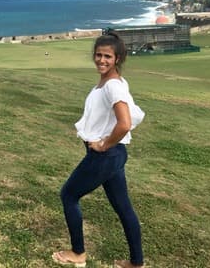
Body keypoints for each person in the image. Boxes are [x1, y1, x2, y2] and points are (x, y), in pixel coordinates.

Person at [53, 31, 145, 268]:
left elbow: (124, 123)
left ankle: (78, 253)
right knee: (124, 208)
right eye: (98, 55)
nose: (101, 60)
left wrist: (104, 144)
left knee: (69, 195)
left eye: (107, 56)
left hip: (105, 156)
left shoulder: (113, 86)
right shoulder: (112, 82)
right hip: (114, 157)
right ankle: (137, 263)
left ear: (118, 58)